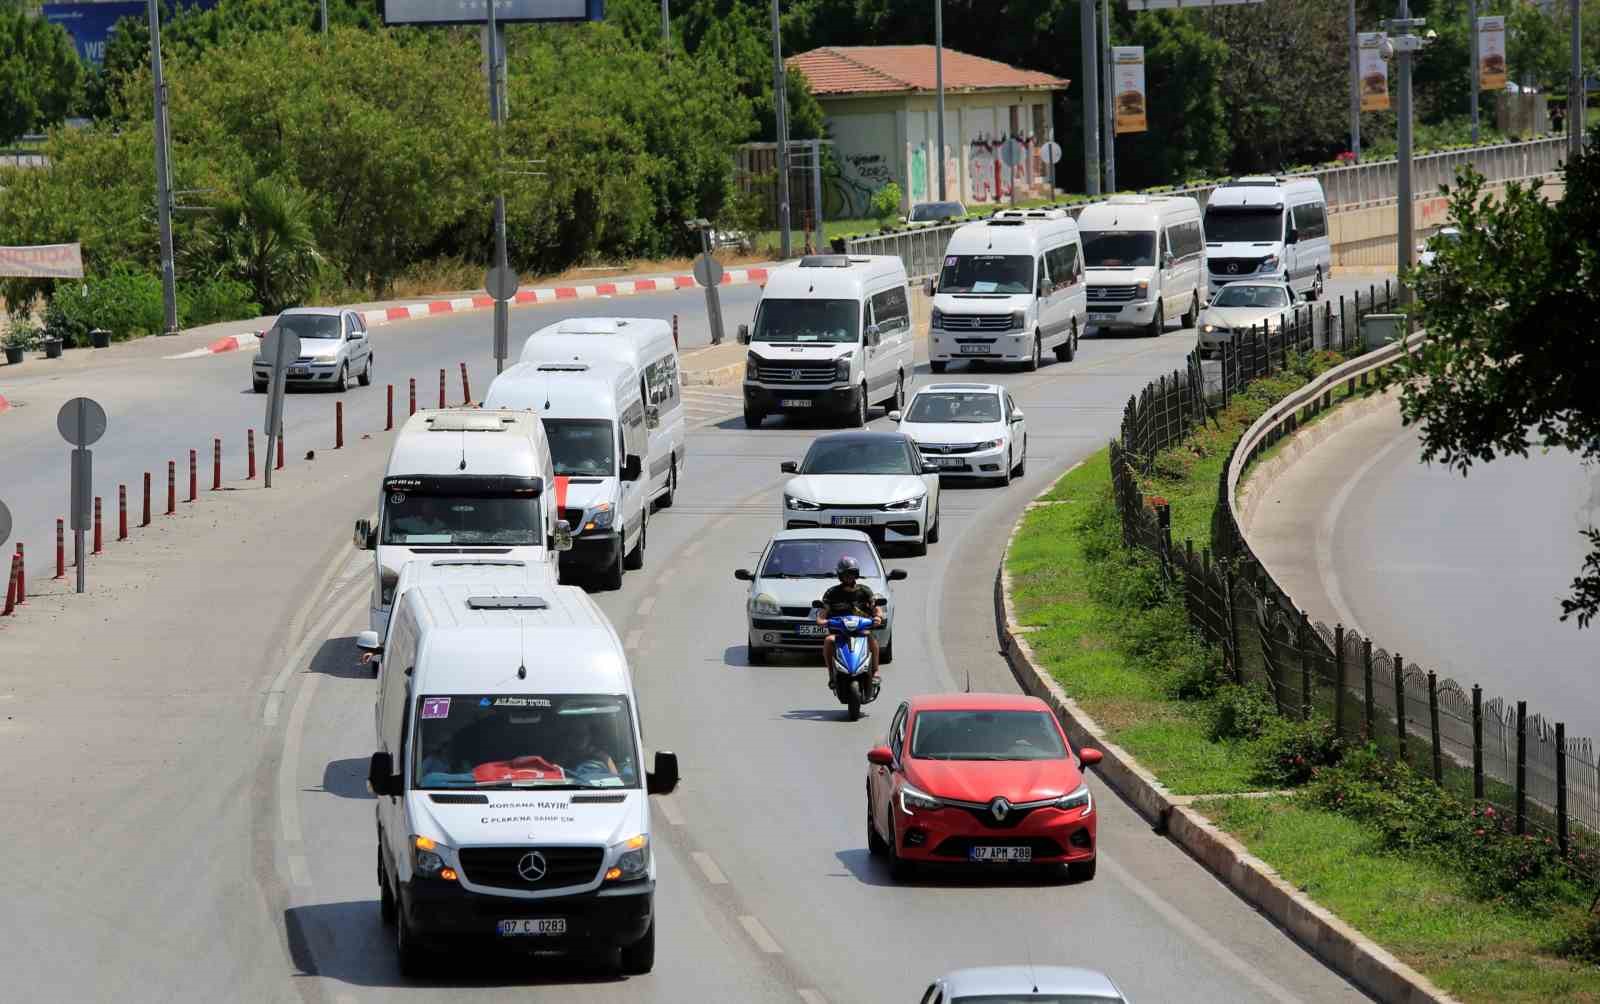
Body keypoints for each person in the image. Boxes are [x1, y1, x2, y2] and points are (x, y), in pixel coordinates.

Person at [816, 555, 883, 688]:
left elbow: (876, 609)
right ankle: (831, 674)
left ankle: (875, 671)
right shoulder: (832, 593)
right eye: (846, 574)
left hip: (861, 630)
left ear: (856, 574)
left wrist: (878, 617)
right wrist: (821, 621)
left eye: (852, 574)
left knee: (872, 640)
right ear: (840, 575)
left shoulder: (865, 591)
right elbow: (822, 613)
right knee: (828, 641)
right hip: (840, 632)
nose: (849, 577)